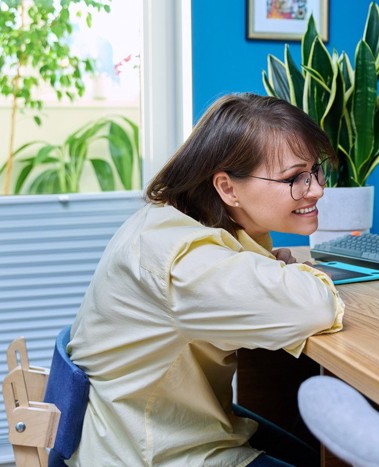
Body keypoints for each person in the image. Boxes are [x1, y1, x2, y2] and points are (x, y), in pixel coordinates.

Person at [67, 93, 345, 466]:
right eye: (295, 177)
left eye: (315, 170)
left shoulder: (175, 221)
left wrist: (273, 269)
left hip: (156, 427)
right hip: (153, 453)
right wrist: (292, 274)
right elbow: (314, 306)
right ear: (228, 188)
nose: (317, 188)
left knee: (315, 453)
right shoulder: (185, 261)